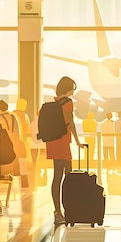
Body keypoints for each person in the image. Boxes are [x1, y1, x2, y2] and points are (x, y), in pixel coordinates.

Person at [45, 76, 83, 225]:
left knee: (57, 177)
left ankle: (57, 212)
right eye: (73, 87)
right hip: (63, 143)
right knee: (69, 177)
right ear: (68, 88)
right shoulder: (68, 103)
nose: (74, 90)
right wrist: (78, 141)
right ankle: (70, 210)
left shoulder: (54, 102)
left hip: (53, 142)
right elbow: (71, 123)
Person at [0, 100, 25, 185]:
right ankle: (22, 183)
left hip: (5, 146)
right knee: (18, 164)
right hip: (16, 143)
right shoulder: (14, 117)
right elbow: (19, 132)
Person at [30, 110, 47, 186]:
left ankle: (34, 179)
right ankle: (42, 178)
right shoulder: (45, 122)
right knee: (43, 162)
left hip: (34, 145)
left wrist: (36, 141)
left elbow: (33, 133)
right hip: (43, 145)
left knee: (34, 163)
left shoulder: (33, 122)